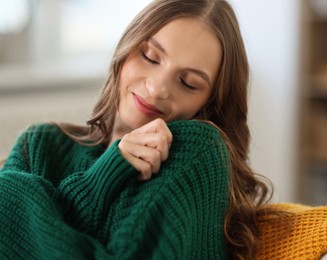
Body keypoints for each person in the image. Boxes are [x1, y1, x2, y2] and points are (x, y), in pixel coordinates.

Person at [0, 0, 276, 259]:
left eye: (189, 83)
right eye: (150, 56)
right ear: (127, 46)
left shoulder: (198, 152)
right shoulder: (40, 144)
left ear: (210, 103)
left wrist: (18, 195)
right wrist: (104, 176)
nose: (157, 89)